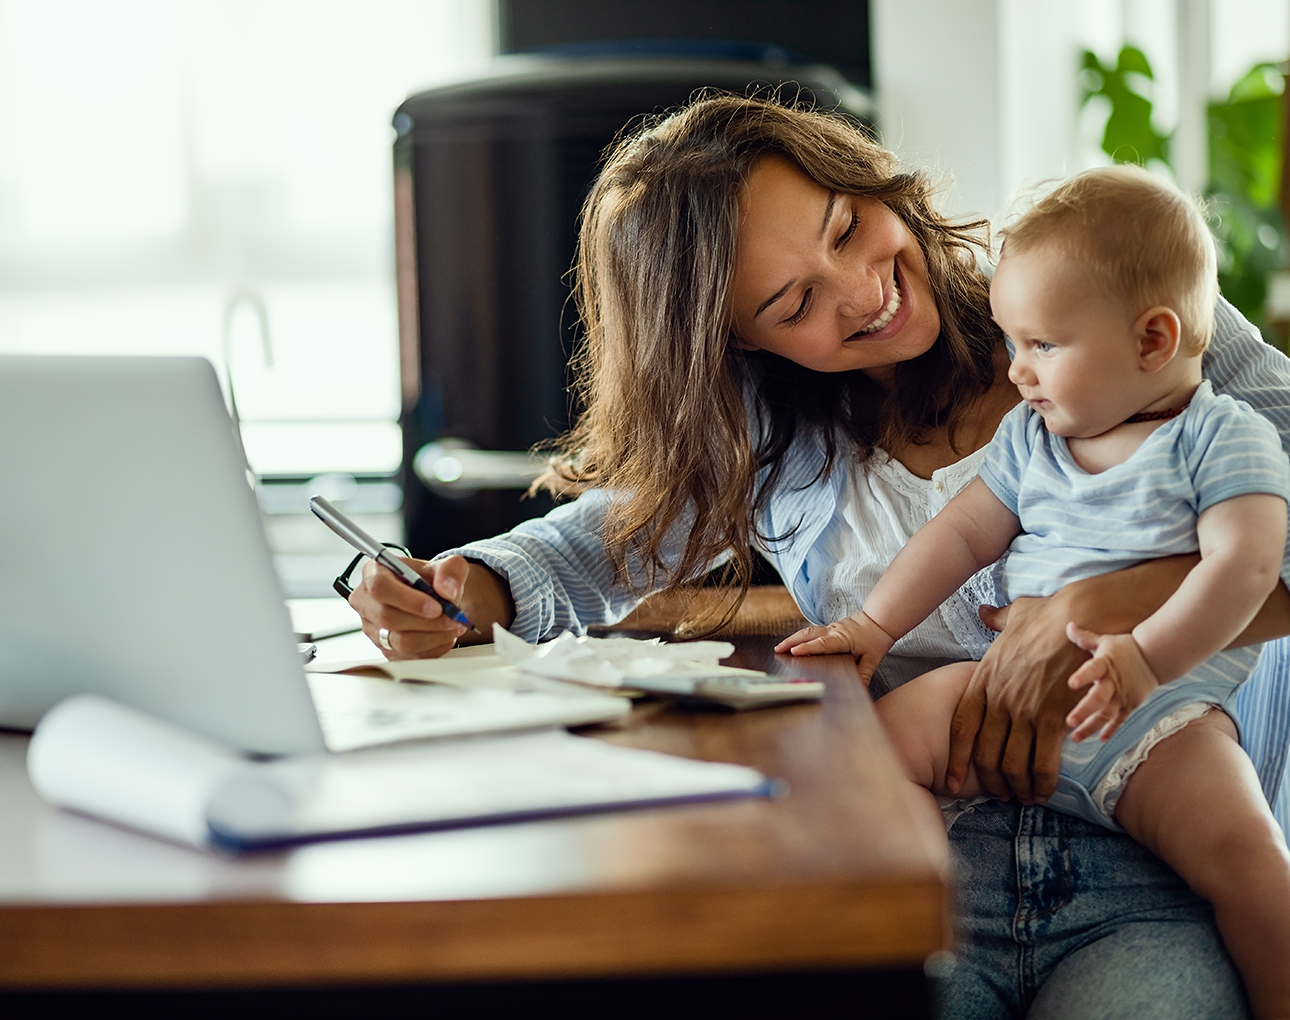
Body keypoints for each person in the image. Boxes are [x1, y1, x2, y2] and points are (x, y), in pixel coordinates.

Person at [350, 94, 1290, 1017]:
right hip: (924, 860)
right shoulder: (773, 439)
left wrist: (1091, 608)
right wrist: (462, 586)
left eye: (847, 229)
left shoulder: (1110, 305)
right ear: (734, 340)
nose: (864, 294)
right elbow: (588, 549)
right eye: (794, 302)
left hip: (1153, 849)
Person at [776, 165, 1290, 1018]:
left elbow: (1242, 568)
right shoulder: (1033, 439)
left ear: (1153, 343)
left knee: (1251, 862)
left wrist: (1141, 657)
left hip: (1162, 719)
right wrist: (871, 624)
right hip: (998, 696)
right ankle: (928, 899)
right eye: (1013, 344)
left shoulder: (1221, 441)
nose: (1016, 372)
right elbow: (959, 536)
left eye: (1043, 346)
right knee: (868, 749)